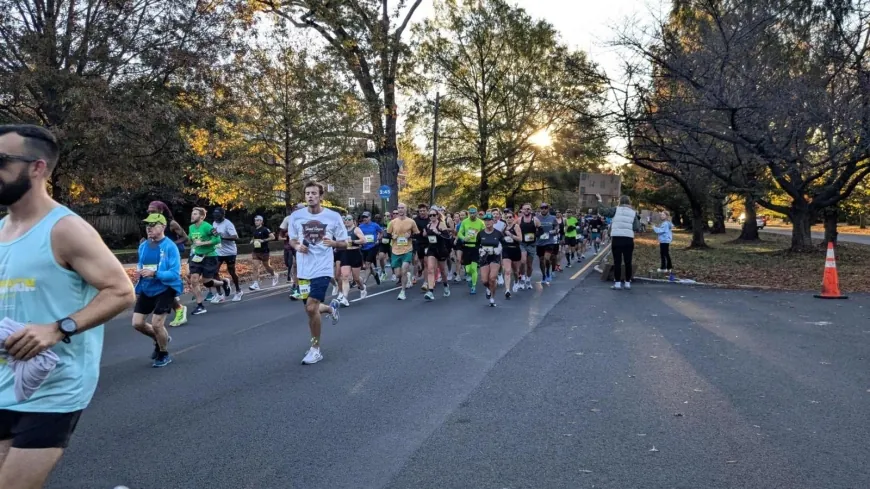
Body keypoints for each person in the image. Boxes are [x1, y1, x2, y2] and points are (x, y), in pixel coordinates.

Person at [0, 124, 135, 487]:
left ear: (37, 167)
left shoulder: (65, 229)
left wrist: (58, 328)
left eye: (2, 161)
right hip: (4, 381)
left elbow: (121, 291)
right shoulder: (1, 230)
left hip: (53, 385)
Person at [287, 182, 345, 365]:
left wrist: (334, 244)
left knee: (311, 308)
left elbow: (345, 242)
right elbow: (292, 240)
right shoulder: (296, 216)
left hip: (322, 268)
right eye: (307, 193)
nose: (310, 196)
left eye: (313, 193)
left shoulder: (333, 216)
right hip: (304, 270)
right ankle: (330, 308)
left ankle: (315, 348)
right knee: (309, 309)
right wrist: (297, 246)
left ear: (321, 196)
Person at [133, 214, 183, 367]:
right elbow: (141, 265)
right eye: (147, 225)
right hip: (147, 288)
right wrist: (139, 272)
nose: (149, 228)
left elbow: (175, 273)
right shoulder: (144, 246)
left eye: (153, 225)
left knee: (157, 324)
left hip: (165, 288)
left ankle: (163, 353)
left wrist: (155, 273)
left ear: (163, 227)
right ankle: (161, 338)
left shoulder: (170, 247)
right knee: (137, 323)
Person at [146, 201, 189, 327]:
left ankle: (179, 309)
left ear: (161, 211)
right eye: (149, 211)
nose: (150, 213)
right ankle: (176, 307)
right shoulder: (150, 223)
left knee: (165, 283)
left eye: (153, 210)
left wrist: (170, 245)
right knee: (157, 283)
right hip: (156, 255)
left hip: (171, 255)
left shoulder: (172, 223)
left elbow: (186, 238)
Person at [187, 207, 230, 315]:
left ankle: (224, 283)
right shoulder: (191, 227)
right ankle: (200, 305)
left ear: (201, 216)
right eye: (192, 214)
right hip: (197, 256)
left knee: (207, 282)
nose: (192, 216)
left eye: (195, 214)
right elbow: (190, 239)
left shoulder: (207, 226)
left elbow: (218, 239)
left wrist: (203, 243)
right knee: (194, 279)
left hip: (209, 256)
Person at [597, 194, 641, 290]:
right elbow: (636, 227)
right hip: (628, 239)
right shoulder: (633, 212)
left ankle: (617, 283)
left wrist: (600, 201)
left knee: (617, 261)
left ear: (620, 202)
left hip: (617, 238)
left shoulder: (615, 210)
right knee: (628, 261)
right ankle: (627, 283)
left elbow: (603, 211)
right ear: (629, 202)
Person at [386, 203, 420, 300]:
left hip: (407, 249)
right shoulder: (393, 222)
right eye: (399, 208)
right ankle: (407, 276)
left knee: (404, 269)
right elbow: (387, 234)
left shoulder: (411, 222)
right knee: (398, 274)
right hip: (395, 250)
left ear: (406, 209)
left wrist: (410, 236)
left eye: (402, 208)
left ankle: (403, 292)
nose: (400, 210)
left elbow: (417, 234)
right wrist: (392, 237)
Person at [212, 207, 243, 302]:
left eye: (218, 215)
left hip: (230, 252)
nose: (216, 217)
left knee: (231, 271)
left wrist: (222, 236)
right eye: (215, 215)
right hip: (218, 251)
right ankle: (220, 293)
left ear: (223, 215)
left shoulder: (228, 224)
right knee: (214, 271)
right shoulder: (214, 223)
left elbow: (235, 237)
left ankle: (238, 291)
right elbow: (214, 234)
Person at [422, 208, 451, 301]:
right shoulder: (428, 225)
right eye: (430, 215)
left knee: (442, 271)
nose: (432, 217)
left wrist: (439, 233)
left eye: (434, 215)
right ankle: (430, 291)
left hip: (441, 250)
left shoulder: (441, 224)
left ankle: (446, 285)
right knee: (430, 269)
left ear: (437, 215)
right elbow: (425, 235)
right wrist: (425, 234)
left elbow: (447, 237)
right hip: (432, 249)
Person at [476, 213, 504, 307]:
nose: (487, 222)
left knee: (492, 278)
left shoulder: (498, 233)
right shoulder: (481, 233)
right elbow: (477, 245)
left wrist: (499, 249)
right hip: (484, 258)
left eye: (489, 220)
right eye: (485, 220)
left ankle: (492, 298)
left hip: (495, 257)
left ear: (493, 221)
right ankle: (488, 288)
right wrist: (480, 250)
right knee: (484, 281)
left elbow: (503, 244)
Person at [456, 206, 485, 294]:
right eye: (471, 213)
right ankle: (469, 277)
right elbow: (459, 233)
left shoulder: (481, 222)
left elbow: (484, 233)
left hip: (476, 247)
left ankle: (473, 286)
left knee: (474, 268)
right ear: (468, 213)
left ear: (476, 213)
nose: (472, 214)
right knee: (468, 270)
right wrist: (463, 238)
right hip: (467, 247)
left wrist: (482, 241)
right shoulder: (464, 222)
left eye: (474, 213)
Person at [339, 214, 367, 303]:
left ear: (353, 221)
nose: (347, 221)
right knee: (345, 276)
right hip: (345, 253)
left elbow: (364, 240)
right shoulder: (342, 231)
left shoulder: (356, 230)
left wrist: (354, 241)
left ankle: (362, 288)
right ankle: (345, 298)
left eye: (349, 219)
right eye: (346, 219)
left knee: (356, 278)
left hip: (355, 253)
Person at [249, 215, 277, 291]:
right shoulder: (254, 229)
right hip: (256, 251)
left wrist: (263, 240)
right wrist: (252, 240)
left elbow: (273, 237)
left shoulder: (265, 229)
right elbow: (254, 237)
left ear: (261, 221)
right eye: (255, 220)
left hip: (264, 251)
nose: (256, 222)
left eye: (258, 220)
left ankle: (274, 275)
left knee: (267, 266)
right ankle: (255, 284)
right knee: (255, 267)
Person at [357, 211, 383, 286]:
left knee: (368, 264)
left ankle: (364, 282)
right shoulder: (360, 226)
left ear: (370, 217)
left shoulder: (375, 225)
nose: (364, 219)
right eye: (363, 217)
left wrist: (378, 239)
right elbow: (357, 235)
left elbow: (381, 232)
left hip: (373, 247)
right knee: (367, 265)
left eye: (366, 217)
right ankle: (375, 274)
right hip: (364, 247)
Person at [535, 203, 558, 285]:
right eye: (542, 208)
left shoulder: (552, 218)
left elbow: (556, 226)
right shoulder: (536, 218)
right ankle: (544, 275)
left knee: (547, 258)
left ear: (548, 209)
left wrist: (555, 230)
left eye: (545, 208)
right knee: (541, 260)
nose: (543, 209)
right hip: (540, 242)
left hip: (549, 242)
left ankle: (548, 271)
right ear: (540, 209)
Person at [502, 210, 523, 296]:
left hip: (515, 250)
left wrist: (511, 235)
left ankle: (517, 281)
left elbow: (520, 239)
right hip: (506, 250)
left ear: (513, 218)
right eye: (506, 217)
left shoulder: (516, 226)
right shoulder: (504, 227)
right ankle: (507, 290)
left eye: (510, 217)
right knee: (507, 271)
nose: (508, 219)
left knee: (516, 271)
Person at [517, 203, 537, 289]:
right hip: (522, 244)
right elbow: (511, 227)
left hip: (532, 244)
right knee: (522, 261)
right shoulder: (519, 220)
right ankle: (521, 279)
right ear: (522, 210)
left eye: (528, 209)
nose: (526, 210)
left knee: (529, 265)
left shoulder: (535, 220)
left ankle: (528, 280)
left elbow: (541, 230)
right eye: (525, 209)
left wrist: (538, 234)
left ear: (531, 210)